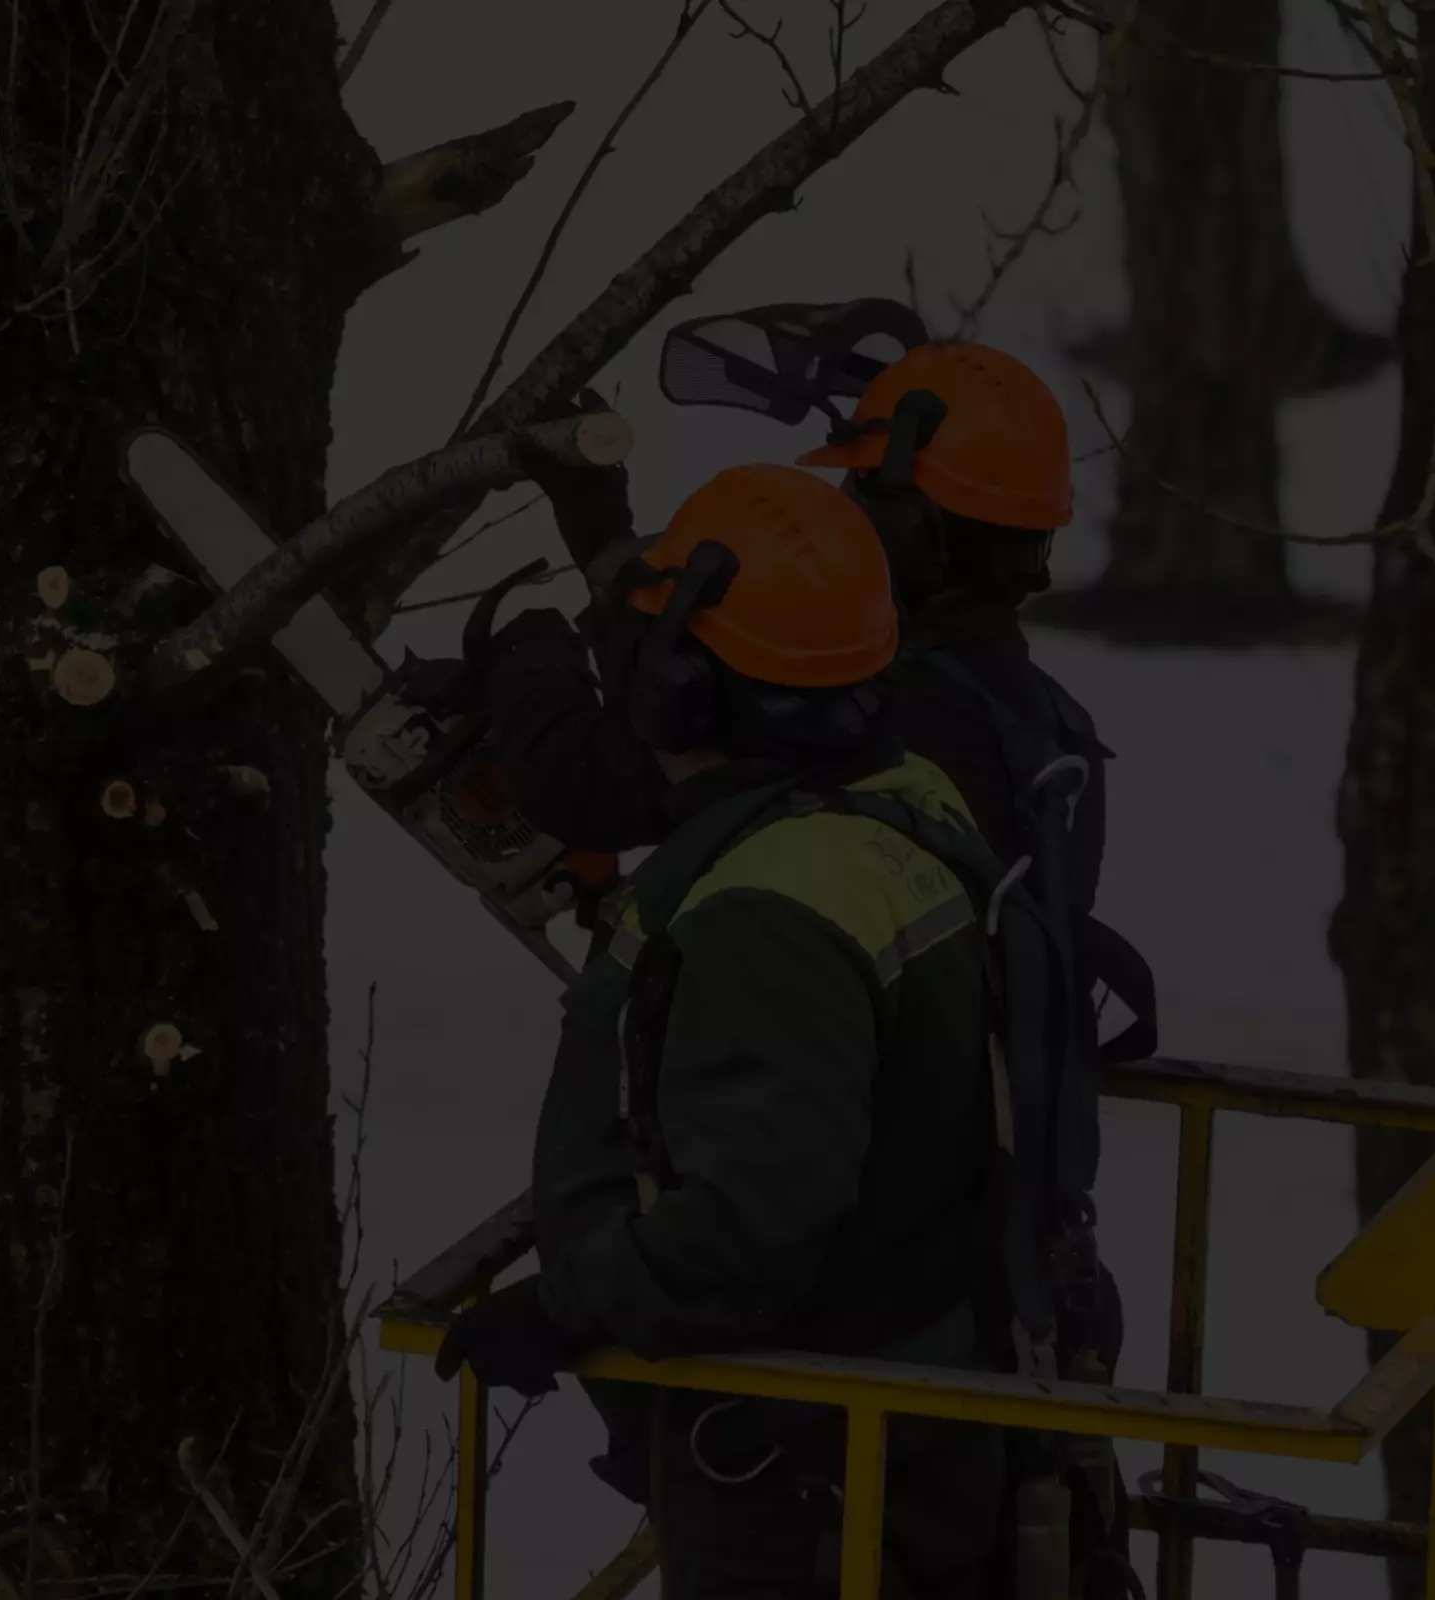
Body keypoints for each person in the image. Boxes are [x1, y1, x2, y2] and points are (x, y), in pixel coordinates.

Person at [434, 463, 1030, 1599]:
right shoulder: (899, 796)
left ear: (679, 687)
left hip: (802, 1458)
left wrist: (563, 1309)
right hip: (903, 1410)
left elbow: (750, 1229)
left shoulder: (771, 909)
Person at [481, 340, 1118, 929]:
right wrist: (611, 550)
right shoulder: (1053, 731)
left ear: (909, 526)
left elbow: (579, 783)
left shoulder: (839, 713)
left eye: (860, 482)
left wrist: (527, 660)